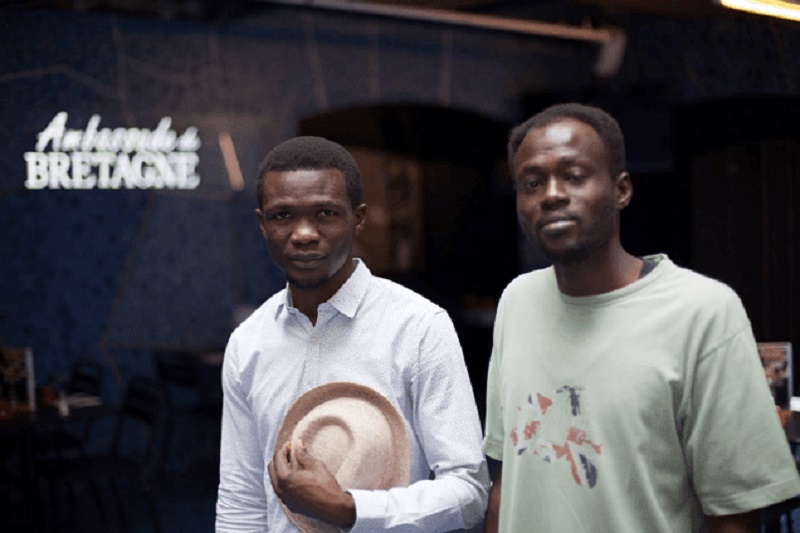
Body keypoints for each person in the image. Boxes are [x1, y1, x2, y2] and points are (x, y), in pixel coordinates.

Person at [482, 103, 800, 532]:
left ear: (622, 190)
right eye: (532, 183)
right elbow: (507, 476)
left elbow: (735, 516)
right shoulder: (517, 301)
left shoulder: (702, 311)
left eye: (574, 176)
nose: (552, 194)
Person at [216, 135, 489, 531]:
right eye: (282, 216)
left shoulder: (418, 328)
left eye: (326, 213)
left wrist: (349, 509)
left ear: (358, 218)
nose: (304, 233)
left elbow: (469, 491)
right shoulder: (248, 342)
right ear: (262, 224)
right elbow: (242, 498)